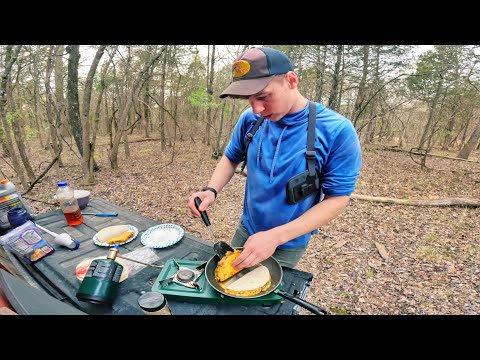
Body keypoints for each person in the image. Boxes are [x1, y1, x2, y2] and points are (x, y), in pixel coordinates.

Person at [188, 47, 362, 269]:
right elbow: (231, 157)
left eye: (263, 97)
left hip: (289, 242)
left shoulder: (337, 130)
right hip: (246, 229)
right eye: (249, 99)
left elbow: (338, 198)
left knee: (267, 300)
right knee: (228, 289)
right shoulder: (250, 119)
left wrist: (276, 237)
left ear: (291, 80)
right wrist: (211, 189)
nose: (257, 109)